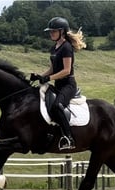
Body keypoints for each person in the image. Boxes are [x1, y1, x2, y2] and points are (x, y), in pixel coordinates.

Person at [31, 17, 86, 150]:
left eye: (53, 31)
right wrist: (40, 76)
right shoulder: (54, 47)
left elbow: (66, 71)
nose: (51, 34)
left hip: (68, 85)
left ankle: (68, 138)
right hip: (58, 85)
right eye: (50, 31)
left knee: (57, 106)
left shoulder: (66, 47)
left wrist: (48, 78)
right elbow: (52, 69)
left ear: (62, 31)